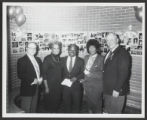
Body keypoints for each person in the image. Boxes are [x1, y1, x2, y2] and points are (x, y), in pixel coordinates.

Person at [103, 33, 131, 113]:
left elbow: (124, 72)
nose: (109, 42)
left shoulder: (122, 53)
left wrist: (117, 89)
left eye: (112, 39)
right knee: (107, 111)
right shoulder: (109, 52)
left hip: (116, 91)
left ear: (117, 40)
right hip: (108, 90)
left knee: (115, 112)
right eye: (107, 40)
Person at [17, 42, 43, 113]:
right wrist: (32, 79)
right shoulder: (21, 60)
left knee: (34, 108)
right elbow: (20, 74)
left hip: (37, 87)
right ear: (27, 49)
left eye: (34, 48)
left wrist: (41, 78)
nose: (33, 49)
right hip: (27, 88)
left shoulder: (38, 59)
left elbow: (40, 72)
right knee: (26, 109)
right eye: (31, 48)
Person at [61, 44, 84, 113]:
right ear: (68, 50)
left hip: (76, 87)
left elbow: (83, 73)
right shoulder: (62, 60)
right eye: (70, 50)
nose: (72, 51)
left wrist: (77, 78)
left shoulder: (81, 60)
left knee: (77, 106)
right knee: (66, 106)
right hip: (65, 88)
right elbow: (59, 72)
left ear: (77, 51)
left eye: (74, 50)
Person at [82, 39, 104, 113]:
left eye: (93, 47)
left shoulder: (101, 58)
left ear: (96, 48)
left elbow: (102, 74)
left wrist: (90, 74)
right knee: (89, 104)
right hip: (87, 85)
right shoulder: (86, 57)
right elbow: (83, 70)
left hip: (96, 86)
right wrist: (82, 79)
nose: (91, 49)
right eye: (90, 47)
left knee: (97, 105)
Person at [42, 41, 63, 113]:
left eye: (58, 48)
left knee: (56, 103)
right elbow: (43, 74)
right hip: (50, 86)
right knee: (50, 105)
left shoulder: (59, 58)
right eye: (54, 48)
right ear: (51, 49)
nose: (56, 50)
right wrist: (46, 87)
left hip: (58, 86)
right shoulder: (47, 59)